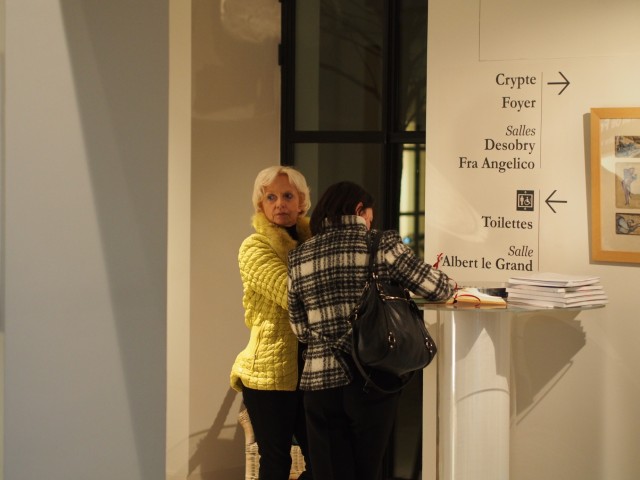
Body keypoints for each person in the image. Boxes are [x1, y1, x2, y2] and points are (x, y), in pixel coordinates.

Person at [287, 181, 456, 480]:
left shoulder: (299, 256)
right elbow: (438, 288)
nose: (370, 222)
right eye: (369, 216)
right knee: (367, 471)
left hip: (319, 382)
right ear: (358, 209)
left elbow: (300, 329)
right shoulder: (381, 244)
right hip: (371, 376)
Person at [230, 166, 313, 480]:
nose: (280, 204)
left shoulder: (313, 243)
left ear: (301, 202)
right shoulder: (254, 247)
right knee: (276, 462)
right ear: (260, 204)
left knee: (324, 460)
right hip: (268, 373)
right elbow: (291, 295)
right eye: (271, 197)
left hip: (312, 370)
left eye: (288, 196)